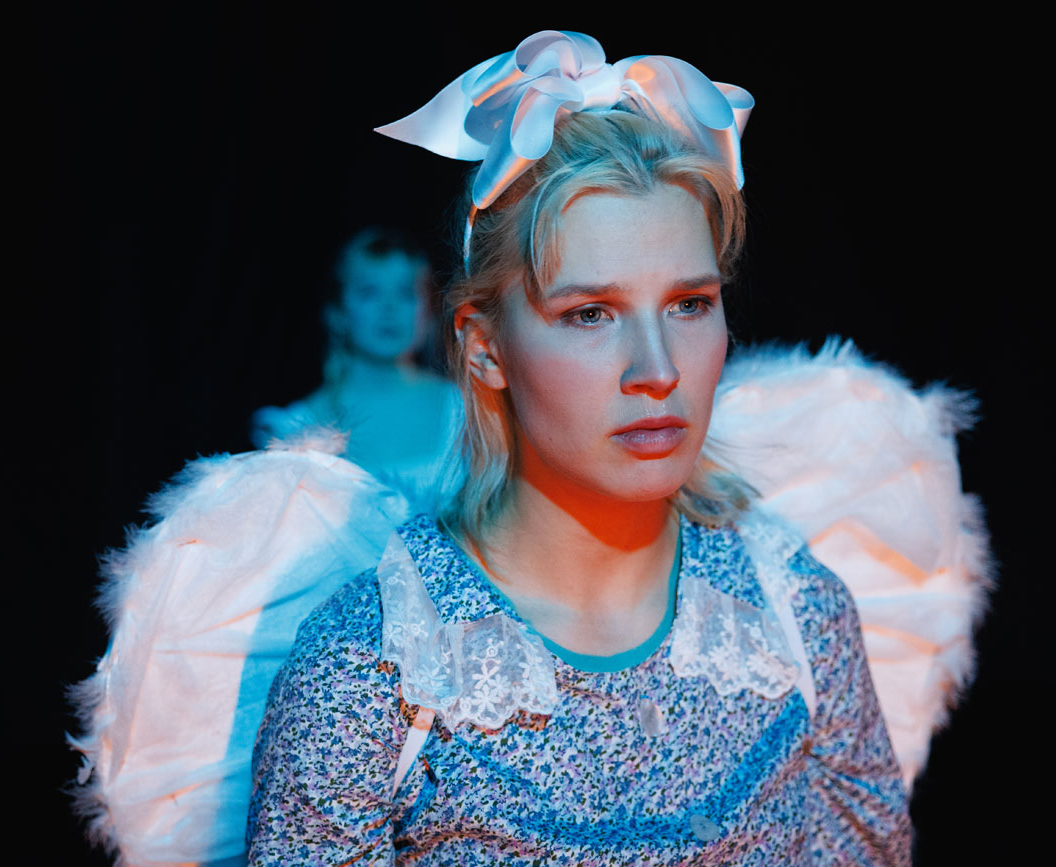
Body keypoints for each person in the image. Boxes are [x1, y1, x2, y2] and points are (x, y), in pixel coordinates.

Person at [245, 31, 914, 864]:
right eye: (590, 314)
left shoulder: (798, 616)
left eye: (689, 303)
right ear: (484, 347)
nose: (658, 369)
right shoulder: (367, 674)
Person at [251, 227, 461, 512]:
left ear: (427, 309)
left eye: (405, 293)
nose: (389, 308)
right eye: (369, 293)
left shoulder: (464, 411)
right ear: (337, 311)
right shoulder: (295, 429)